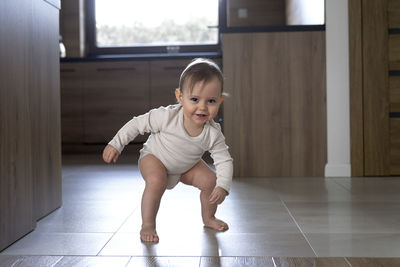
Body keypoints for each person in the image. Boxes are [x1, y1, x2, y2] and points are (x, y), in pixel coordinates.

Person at [102, 58, 233, 243]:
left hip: (186, 166)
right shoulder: (167, 116)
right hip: (155, 158)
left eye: (211, 101)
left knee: (211, 181)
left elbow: (224, 160)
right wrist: (116, 143)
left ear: (220, 100)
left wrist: (223, 186)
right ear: (180, 97)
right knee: (156, 180)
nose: (202, 107)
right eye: (194, 99)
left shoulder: (213, 133)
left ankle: (208, 218)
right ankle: (147, 224)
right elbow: (137, 124)